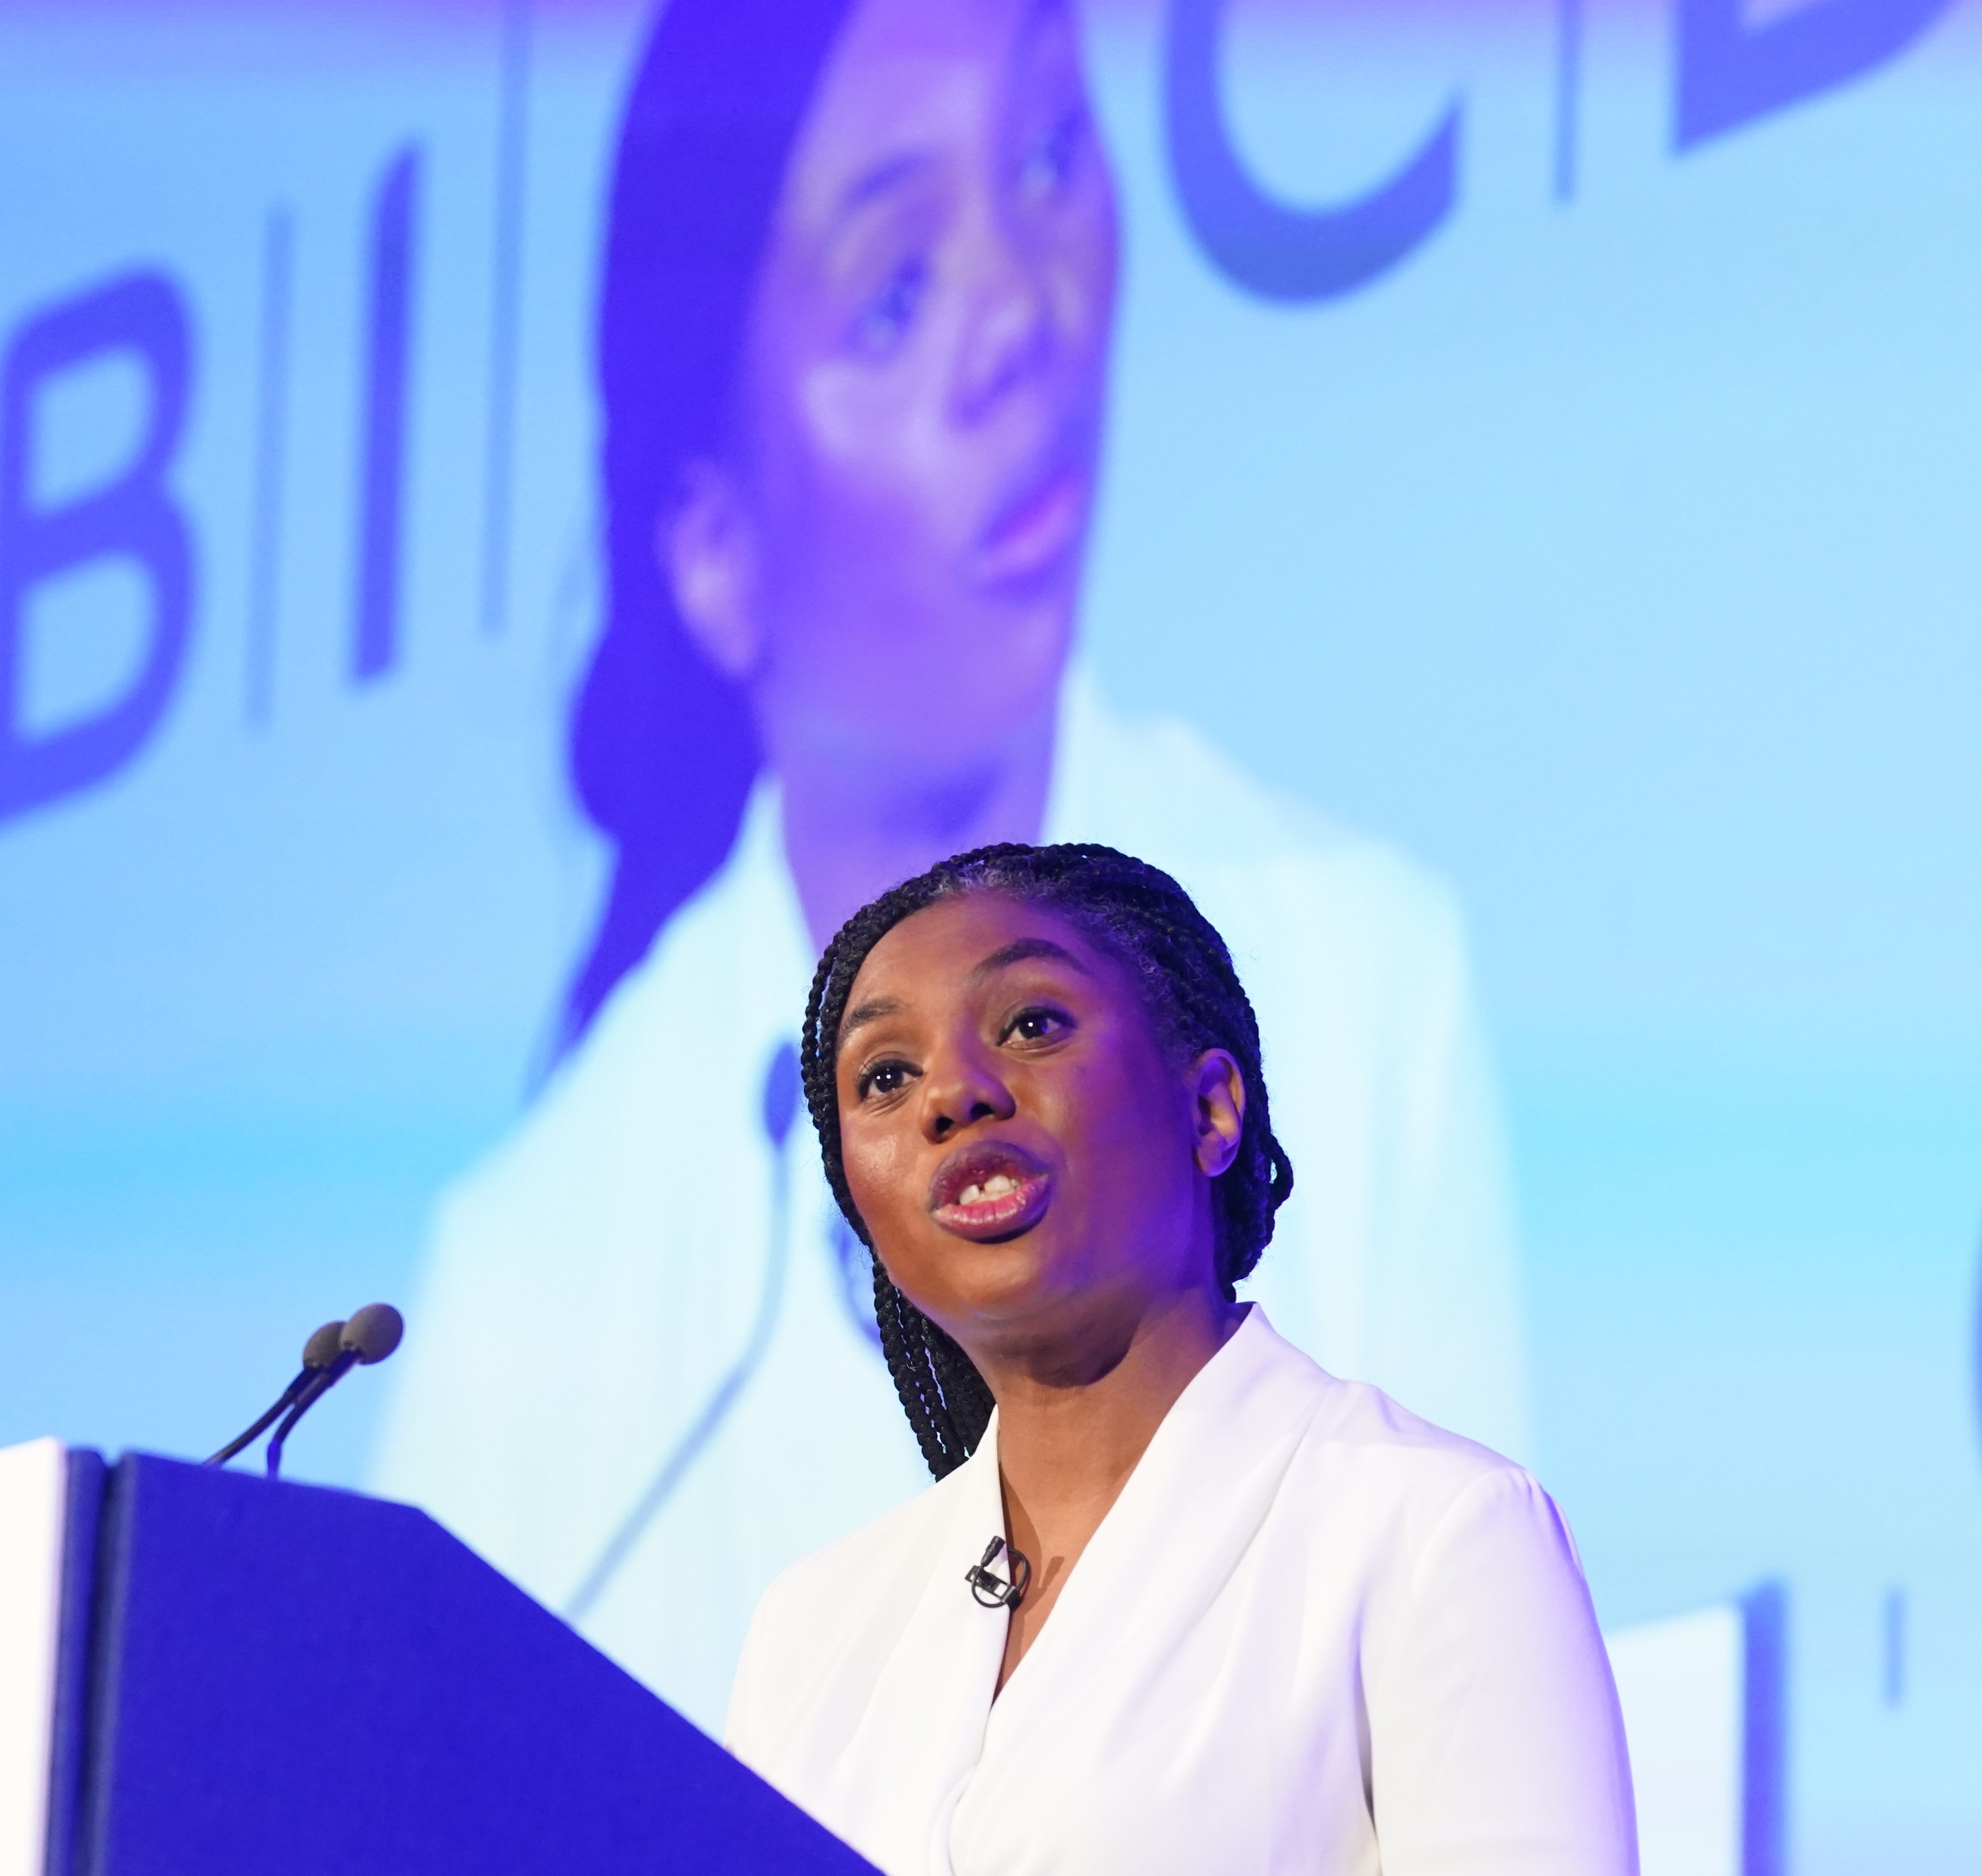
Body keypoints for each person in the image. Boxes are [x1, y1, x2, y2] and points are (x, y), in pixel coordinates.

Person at [371, 0, 1524, 1730]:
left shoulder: (1351, 967)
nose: (1023, 315)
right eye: (897, 293)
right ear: (715, 549)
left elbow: (1468, 1702)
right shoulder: (530, 1269)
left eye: (1050, 159)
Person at [728, 844, 1634, 1875]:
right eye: (885, 1075)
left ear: (1209, 1108)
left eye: (1031, 1024)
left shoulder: (1434, 1533)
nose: (952, 1095)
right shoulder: (809, 1631)